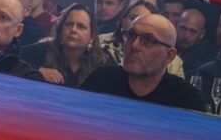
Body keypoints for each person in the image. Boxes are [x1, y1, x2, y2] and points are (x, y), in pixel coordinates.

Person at [81, 13, 209, 112]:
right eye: (131, 35)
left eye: (148, 40)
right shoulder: (101, 80)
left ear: (169, 56)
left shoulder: (185, 99)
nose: (134, 45)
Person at [23, 2, 97, 88]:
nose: (73, 30)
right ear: (60, 28)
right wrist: (37, 70)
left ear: (92, 36)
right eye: (69, 24)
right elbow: (9, 59)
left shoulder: (100, 63)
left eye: (81, 26)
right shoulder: (44, 49)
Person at [175, 7, 212, 76]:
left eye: (192, 32)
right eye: (183, 28)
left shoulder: (205, 57)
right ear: (177, 25)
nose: (186, 35)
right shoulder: (167, 45)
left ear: (202, 34)